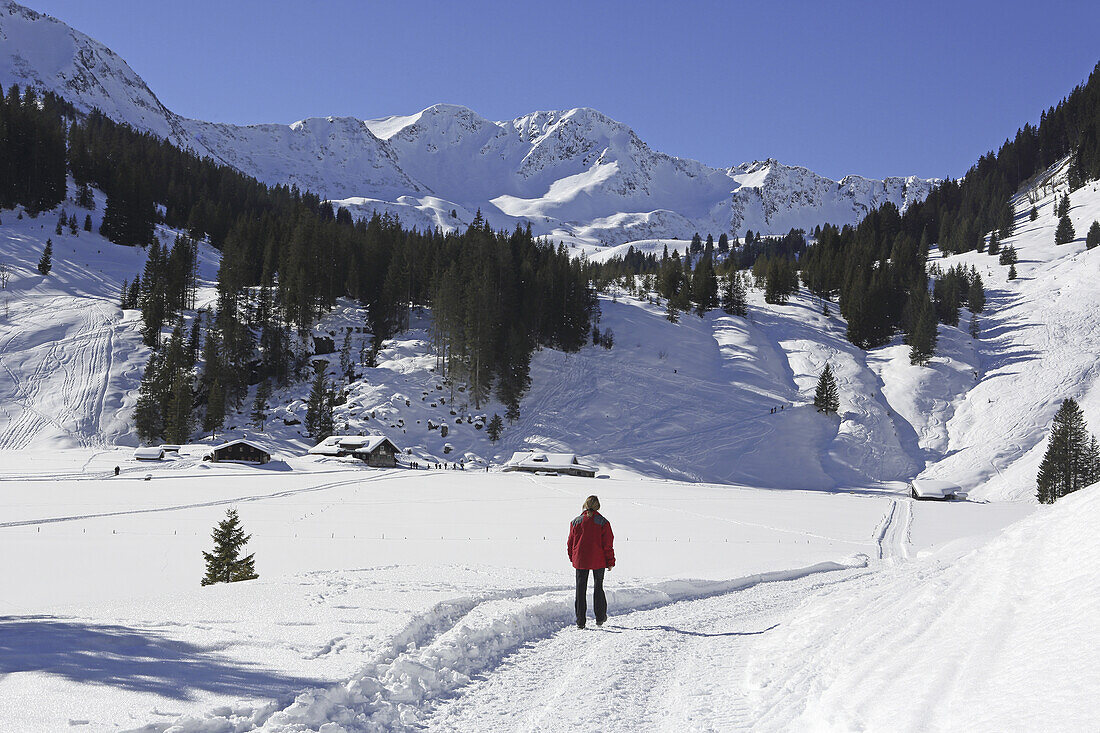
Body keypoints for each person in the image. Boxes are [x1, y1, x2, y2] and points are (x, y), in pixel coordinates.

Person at [567, 495, 615, 629]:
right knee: (598, 587)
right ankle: (600, 617)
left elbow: (570, 543)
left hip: (581, 560)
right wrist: (610, 561)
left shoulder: (575, 522)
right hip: (598, 561)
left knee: (580, 590)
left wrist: (573, 557)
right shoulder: (603, 522)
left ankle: (580, 621)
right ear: (598, 506)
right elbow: (608, 545)